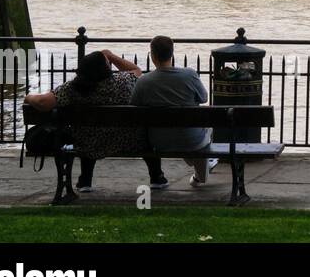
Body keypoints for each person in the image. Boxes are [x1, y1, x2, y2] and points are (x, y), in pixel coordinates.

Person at [23, 50, 166, 191]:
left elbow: (43, 102)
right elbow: (136, 70)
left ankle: (85, 181)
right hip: (130, 141)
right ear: (106, 68)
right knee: (145, 135)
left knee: (89, 133)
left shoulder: (72, 89)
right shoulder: (125, 81)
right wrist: (111, 56)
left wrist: (29, 97)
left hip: (88, 144)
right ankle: (157, 177)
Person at [131, 36, 217, 188]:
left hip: (159, 142)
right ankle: (200, 171)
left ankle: (199, 168)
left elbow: (135, 108)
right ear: (172, 54)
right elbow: (203, 98)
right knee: (205, 123)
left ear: (152, 56)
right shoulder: (189, 75)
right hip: (192, 141)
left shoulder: (144, 81)